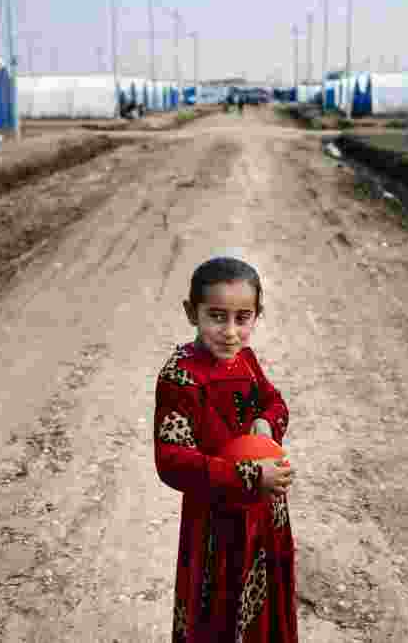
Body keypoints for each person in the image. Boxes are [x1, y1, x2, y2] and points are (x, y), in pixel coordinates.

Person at [154, 257, 298, 643]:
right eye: (217, 316)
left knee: (264, 613)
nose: (230, 332)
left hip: (264, 513)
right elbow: (171, 461)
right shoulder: (180, 376)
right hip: (215, 523)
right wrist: (249, 476)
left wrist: (266, 423)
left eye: (242, 317)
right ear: (191, 312)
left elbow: (276, 403)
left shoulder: (246, 361)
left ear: (257, 316)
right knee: (217, 613)